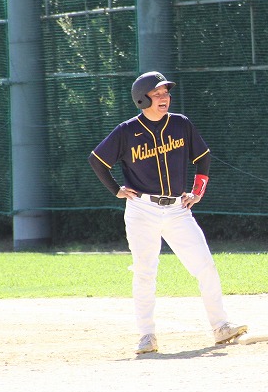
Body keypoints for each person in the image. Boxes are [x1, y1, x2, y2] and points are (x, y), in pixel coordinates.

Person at [88, 71, 247, 354]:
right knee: (145, 272)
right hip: (142, 209)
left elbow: (203, 158)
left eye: (166, 93)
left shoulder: (180, 124)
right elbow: (97, 160)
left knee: (205, 266)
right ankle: (147, 335)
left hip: (177, 209)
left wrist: (197, 191)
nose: (164, 97)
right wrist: (116, 189)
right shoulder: (127, 131)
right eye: (157, 93)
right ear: (142, 98)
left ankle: (221, 326)